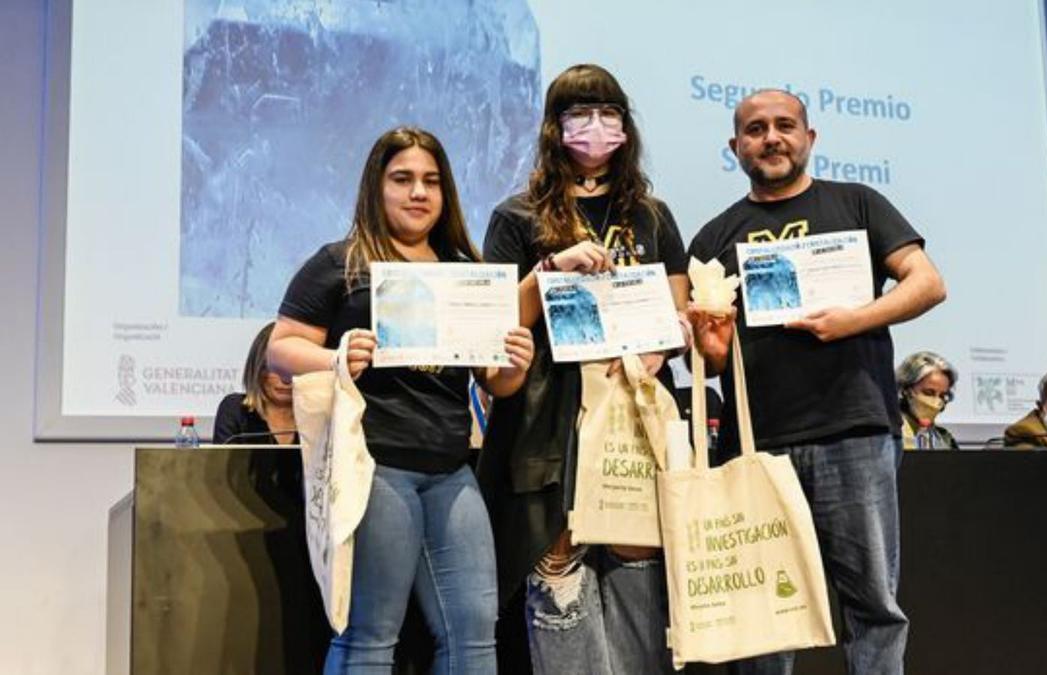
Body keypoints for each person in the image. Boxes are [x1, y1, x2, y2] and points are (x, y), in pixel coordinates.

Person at [688, 89, 946, 675]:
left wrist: (855, 318)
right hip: (758, 447)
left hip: (854, 431)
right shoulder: (714, 237)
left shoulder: (858, 204)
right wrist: (712, 349)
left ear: (810, 138)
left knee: (873, 609)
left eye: (784, 125)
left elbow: (927, 283)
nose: (771, 138)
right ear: (735, 147)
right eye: (755, 129)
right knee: (762, 615)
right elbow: (714, 357)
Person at [267, 127, 535, 674]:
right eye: (403, 179)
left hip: (451, 469)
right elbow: (280, 348)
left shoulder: (467, 273)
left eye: (431, 182)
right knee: (370, 633)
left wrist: (513, 365)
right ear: (376, 187)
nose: (419, 193)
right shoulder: (342, 263)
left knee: (475, 633)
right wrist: (337, 356)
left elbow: (494, 382)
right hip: (376, 465)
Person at [477, 64, 689, 675]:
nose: (595, 127)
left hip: (636, 416)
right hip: (547, 422)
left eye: (608, 114)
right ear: (553, 128)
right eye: (579, 114)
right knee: (558, 573)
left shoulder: (652, 215)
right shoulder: (518, 217)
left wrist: (667, 341)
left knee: (637, 574)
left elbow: (676, 313)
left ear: (626, 127)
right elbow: (493, 323)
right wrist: (550, 271)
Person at [214, 321, 296, 445]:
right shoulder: (236, 411)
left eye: (293, 369)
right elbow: (223, 464)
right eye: (275, 368)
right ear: (257, 369)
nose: (285, 379)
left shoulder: (319, 417)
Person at [895, 351, 959, 449]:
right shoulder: (887, 437)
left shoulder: (945, 440)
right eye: (928, 393)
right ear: (906, 390)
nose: (936, 402)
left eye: (942, 395)